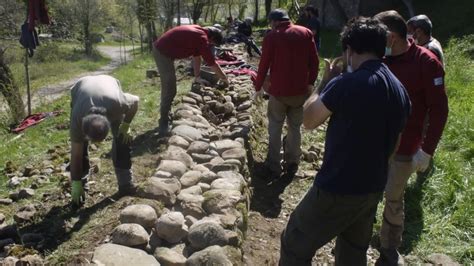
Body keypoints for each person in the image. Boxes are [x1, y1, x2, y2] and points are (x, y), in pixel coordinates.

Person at [279, 17, 411, 265]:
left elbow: (308, 119)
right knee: (352, 251)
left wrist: (324, 82)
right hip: (372, 186)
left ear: (349, 50)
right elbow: (396, 141)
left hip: (337, 187)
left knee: (294, 241)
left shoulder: (346, 83)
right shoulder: (399, 89)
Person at [374, 10, 448, 265]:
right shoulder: (379, 58)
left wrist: (426, 150)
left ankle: (388, 247)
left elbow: (439, 109)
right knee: (365, 193)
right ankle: (355, 239)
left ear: (392, 37)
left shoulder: (426, 62)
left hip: (404, 147)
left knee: (393, 198)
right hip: (372, 143)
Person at [254, 9, 319, 180]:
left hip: (279, 92)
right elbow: (314, 61)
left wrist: (258, 87)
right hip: (300, 91)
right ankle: (292, 162)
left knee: (275, 126)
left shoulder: (272, 36)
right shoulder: (305, 32)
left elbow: (264, 64)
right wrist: (311, 82)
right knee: (295, 127)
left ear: (274, 21)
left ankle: (273, 165)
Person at [69, 75, 139, 206]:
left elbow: (135, 101)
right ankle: (81, 185)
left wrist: (126, 124)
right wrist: (75, 182)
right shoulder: (77, 119)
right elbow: (76, 155)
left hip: (109, 85)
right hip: (81, 88)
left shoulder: (118, 104)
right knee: (80, 147)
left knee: (122, 137)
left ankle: (125, 183)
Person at [153, 25, 229, 135]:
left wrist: (197, 76)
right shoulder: (202, 38)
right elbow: (212, 63)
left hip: (165, 50)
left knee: (170, 88)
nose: (210, 45)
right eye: (212, 43)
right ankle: (163, 123)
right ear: (211, 38)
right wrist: (224, 78)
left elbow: (197, 57)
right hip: (162, 52)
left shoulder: (199, 33)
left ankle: (166, 114)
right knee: (170, 88)